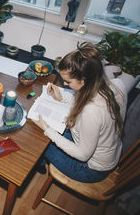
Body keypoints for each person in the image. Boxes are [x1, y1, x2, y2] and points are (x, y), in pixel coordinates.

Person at [32, 43, 126, 183]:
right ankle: (41, 162)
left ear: (84, 80)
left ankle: (38, 163)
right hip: (108, 152)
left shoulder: (91, 112)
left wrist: (47, 129)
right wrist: (62, 97)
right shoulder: (116, 84)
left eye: (68, 82)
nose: (64, 84)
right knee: (52, 132)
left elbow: (82, 155)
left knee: (40, 139)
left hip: (90, 169)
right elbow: (85, 101)